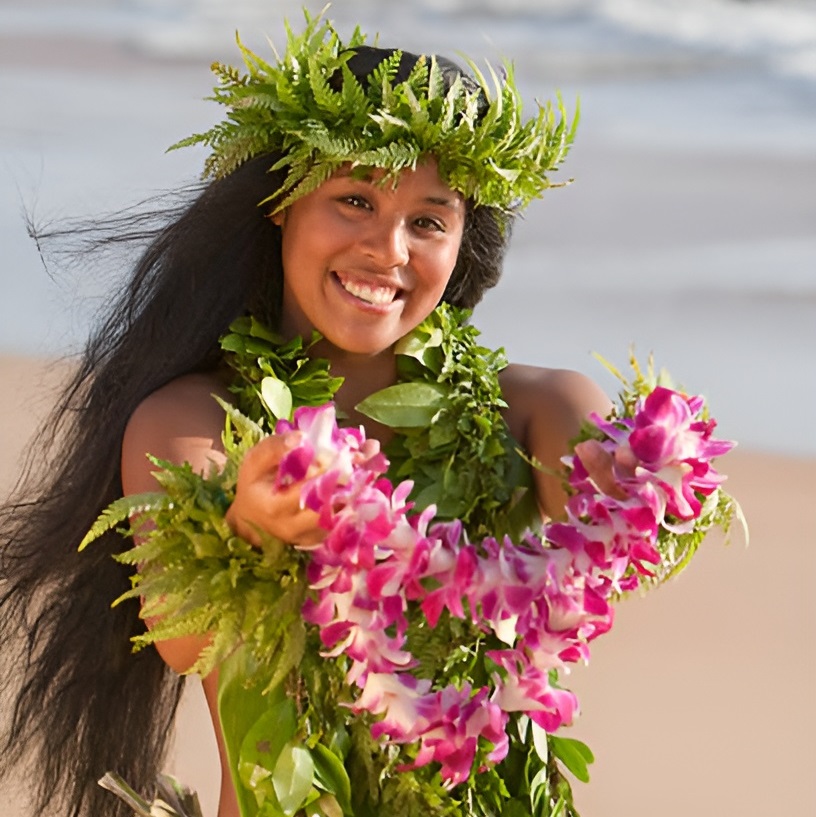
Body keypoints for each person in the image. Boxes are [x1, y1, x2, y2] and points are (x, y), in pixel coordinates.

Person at [0, 12, 610, 817]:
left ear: (465, 239)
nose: (389, 249)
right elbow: (182, 638)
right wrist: (248, 517)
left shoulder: (535, 410)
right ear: (282, 201)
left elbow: (611, 516)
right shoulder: (192, 418)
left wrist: (630, 479)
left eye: (428, 219)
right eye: (354, 198)